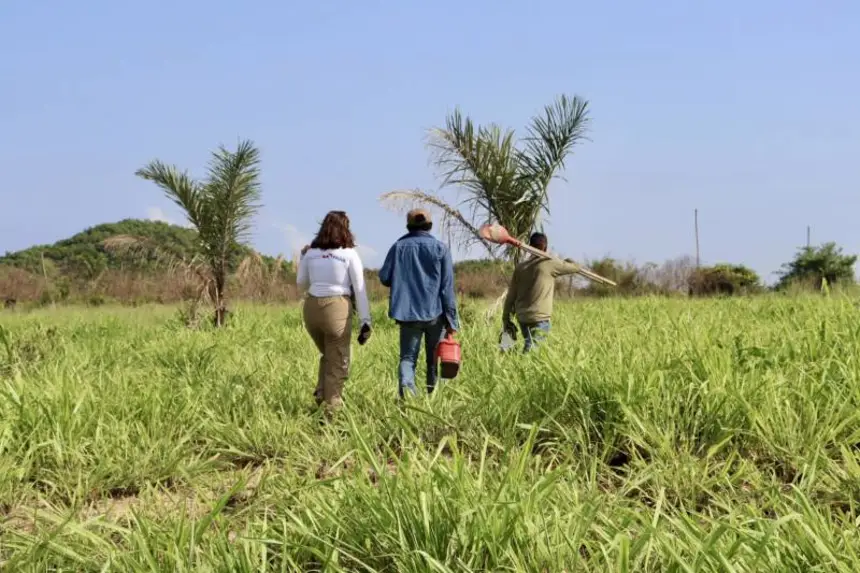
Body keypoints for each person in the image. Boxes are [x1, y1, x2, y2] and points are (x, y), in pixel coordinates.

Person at [379, 209, 459, 398]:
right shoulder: (441, 249)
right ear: (429, 226)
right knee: (434, 359)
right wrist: (452, 321)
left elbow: (384, 277)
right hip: (436, 315)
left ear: (408, 226)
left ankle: (408, 397)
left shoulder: (398, 247)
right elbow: (447, 288)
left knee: (408, 359)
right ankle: (434, 399)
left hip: (407, 314)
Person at [297, 211, 372, 410]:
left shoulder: (310, 253)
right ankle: (333, 412)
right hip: (337, 307)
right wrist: (366, 321)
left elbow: (301, 283)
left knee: (328, 354)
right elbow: (360, 288)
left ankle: (321, 396)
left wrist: (303, 258)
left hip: (312, 308)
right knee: (338, 359)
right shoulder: (348, 254)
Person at [501, 232, 581, 352]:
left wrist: (506, 317)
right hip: (540, 317)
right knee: (533, 349)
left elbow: (511, 295)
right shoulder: (549, 263)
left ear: (530, 246)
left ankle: (521, 366)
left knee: (530, 344)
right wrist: (562, 259)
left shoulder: (521, 267)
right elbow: (575, 267)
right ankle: (523, 367)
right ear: (545, 247)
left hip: (522, 317)